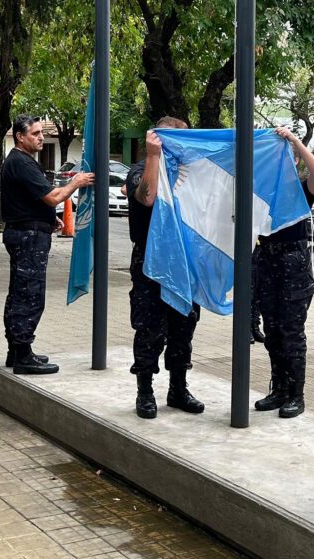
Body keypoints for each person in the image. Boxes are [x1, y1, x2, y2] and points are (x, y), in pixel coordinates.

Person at [2, 114, 94, 375]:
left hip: (25, 232)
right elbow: (53, 196)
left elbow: (31, 199)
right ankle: (23, 355)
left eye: (41, 132)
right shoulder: (21, 162)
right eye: (35, 133)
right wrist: (75, 182)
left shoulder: (21, 161)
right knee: (29, 294)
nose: (41, 137)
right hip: (28, 238)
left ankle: (17, 351)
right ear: (20, 137)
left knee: (19, 292)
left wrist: (48, 218)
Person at [127, 117, 204, 420]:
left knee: (184, 326)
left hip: (184, 262)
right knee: (149, 329)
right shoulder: (141, 168)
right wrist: (153, 156)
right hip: (150, 261)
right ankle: (145, 391)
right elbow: (146, 197)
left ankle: (178, 388)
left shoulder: (191, 173)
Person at [252, 127, 314, 419]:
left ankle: (296, 394)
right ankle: (279, 389)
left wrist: (294, 141)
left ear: (294, 161)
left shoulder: (300, 191)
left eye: (285, 158)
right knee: (272, 332)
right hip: (266, 261)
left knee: (291, 332)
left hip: (293, 264)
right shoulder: (263, 190)